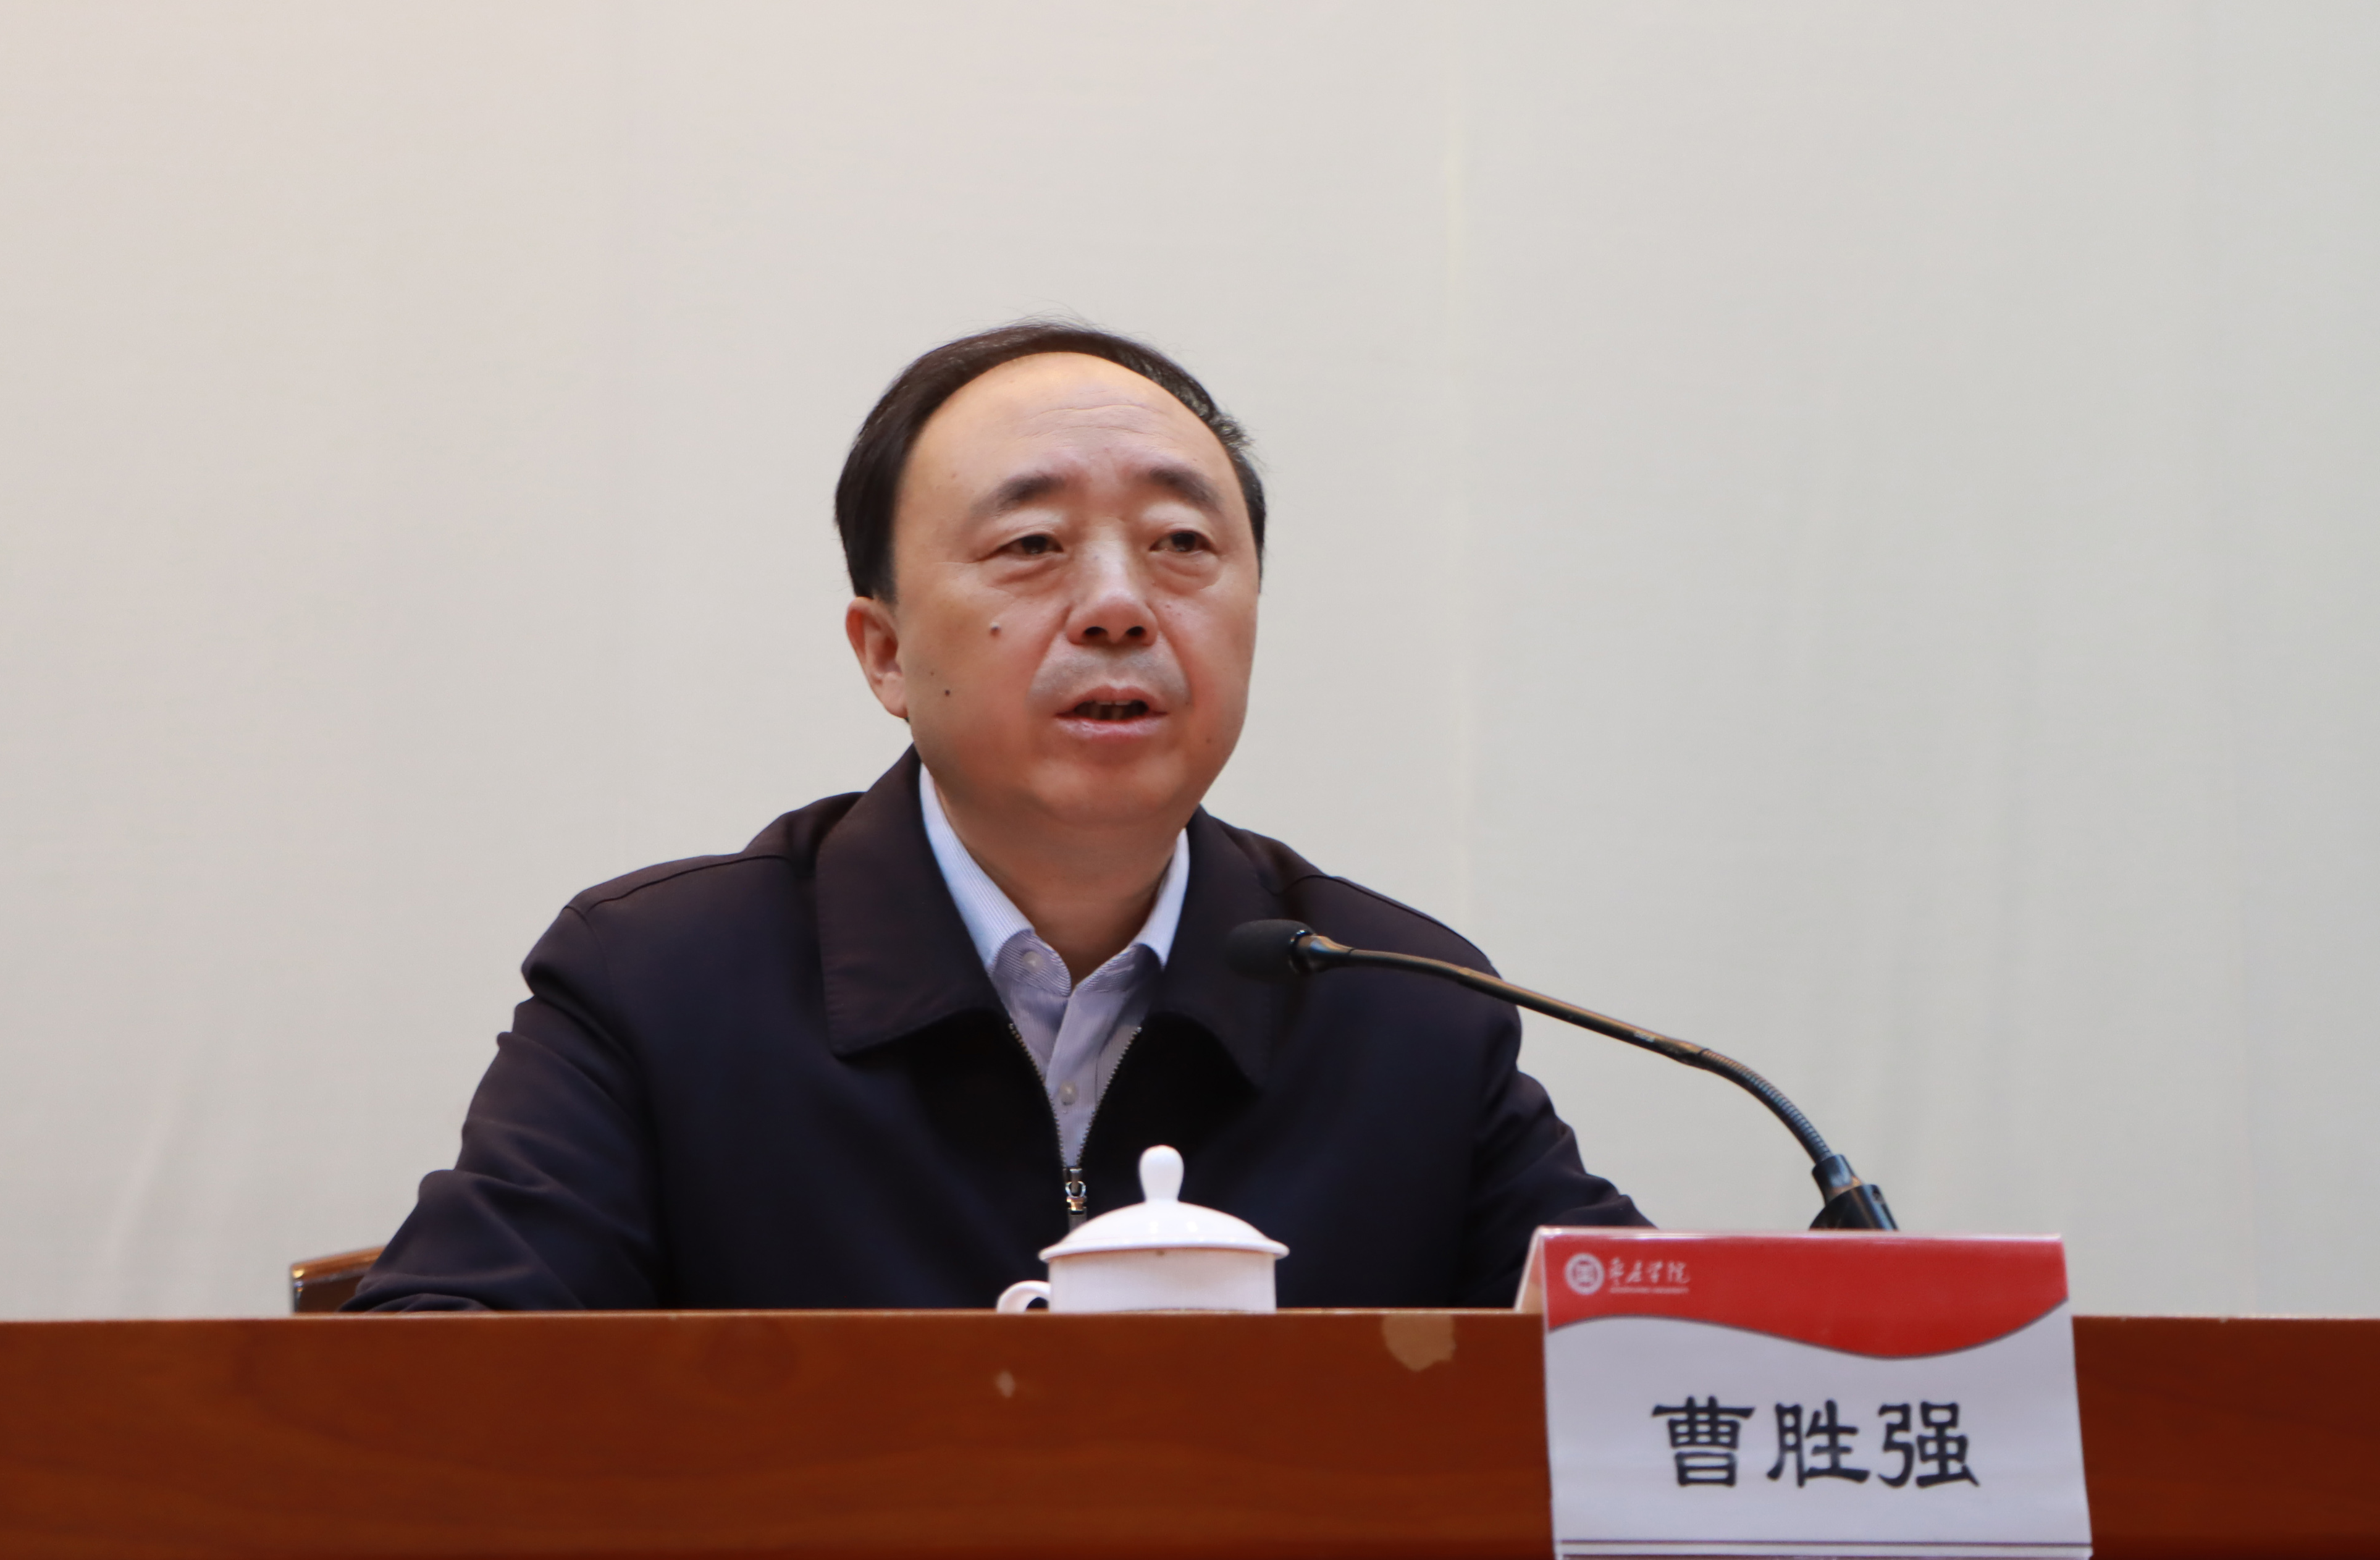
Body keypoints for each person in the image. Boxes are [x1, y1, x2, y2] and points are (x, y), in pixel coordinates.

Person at [346, 323, 1642, 1312]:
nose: (1119, 606)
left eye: (1183, 544)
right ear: (884, 653)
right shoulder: (664, 986)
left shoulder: (1402, 1005)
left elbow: (1652, 1388)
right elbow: (440, 1383)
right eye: (1031, 546)